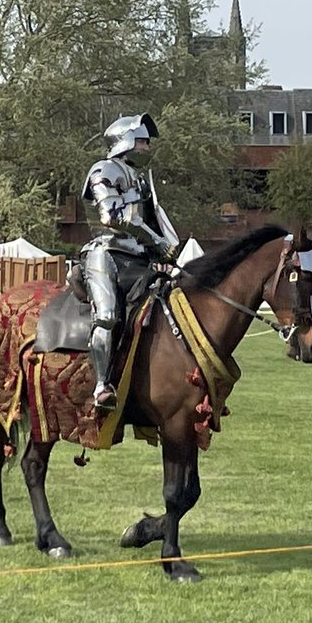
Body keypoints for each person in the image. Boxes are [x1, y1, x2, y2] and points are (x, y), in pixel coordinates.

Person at [81, 113, 179, 411]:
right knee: (109, 315)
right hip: (106, 253)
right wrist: (155, 240)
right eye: (142, 140)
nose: (147, 146)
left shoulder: (139, 178)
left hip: (138, 258)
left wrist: (167, 247)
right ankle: (101, 386)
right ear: (124, 140)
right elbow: (111, 216)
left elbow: (151, 219)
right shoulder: (104, 169)